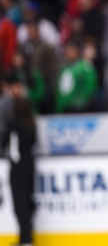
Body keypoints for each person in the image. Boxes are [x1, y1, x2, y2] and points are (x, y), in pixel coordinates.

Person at [0, 72, 36, 246]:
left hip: (18, 167)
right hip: (29, 164)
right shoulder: (30, 126)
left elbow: (4, 143)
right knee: (27, 202)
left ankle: (25, 239)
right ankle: (26, 238)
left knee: (20, 204)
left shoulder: (14, 127)